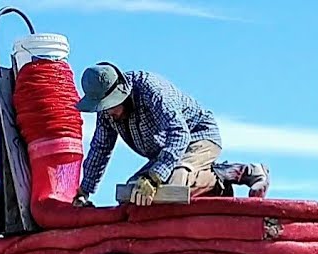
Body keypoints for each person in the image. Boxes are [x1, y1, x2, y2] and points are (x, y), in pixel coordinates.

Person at [71, 63, 269, 207]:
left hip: (198, 138)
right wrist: (84, 191)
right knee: (132, 193)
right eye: (104, 108)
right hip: (167, 153)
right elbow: (100, 149)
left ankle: (234, 173)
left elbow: (179, 133)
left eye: (111, 105)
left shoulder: (153, 91)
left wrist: (155, 176)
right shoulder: (107, 114)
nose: (109, 111)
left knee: (175, 182)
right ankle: (206, 178)